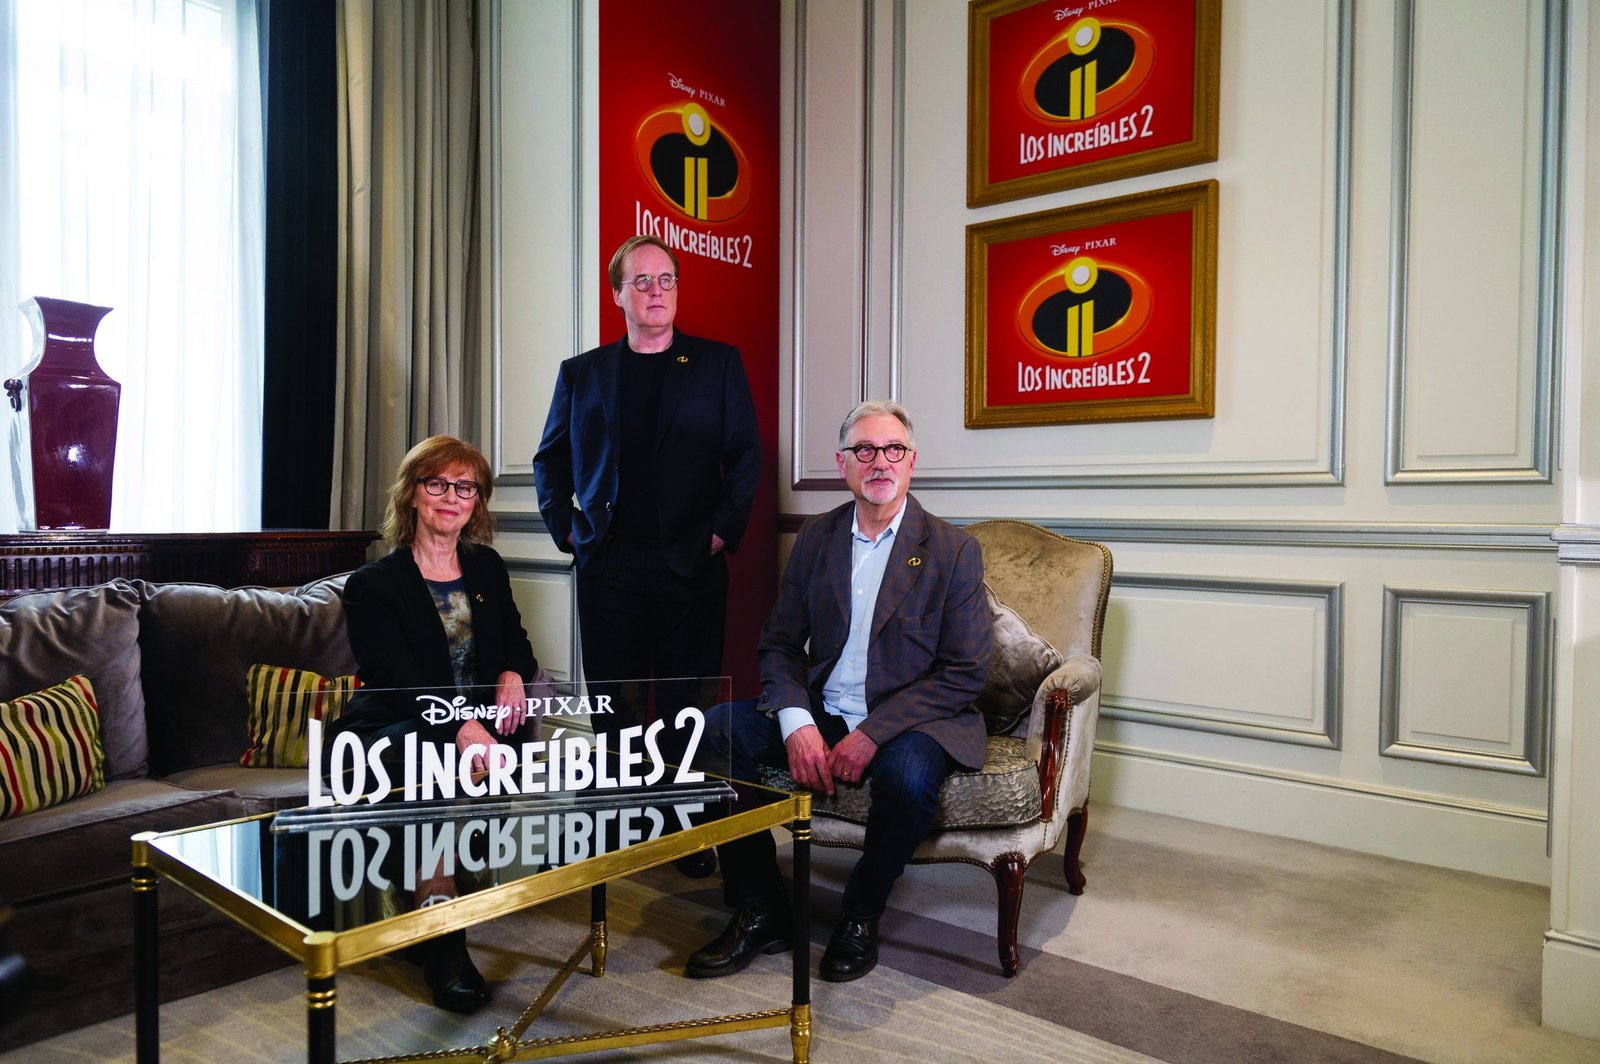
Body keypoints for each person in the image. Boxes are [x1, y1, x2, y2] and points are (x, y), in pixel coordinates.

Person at [685, 400, 992, 983]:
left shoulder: (953, 550)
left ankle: (860, 915)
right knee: (714, 732)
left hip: (912, 719)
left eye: (894, 449)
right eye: (865, 450)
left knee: (907, 781)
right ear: (842, 463)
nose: (880, 462)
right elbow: (779, 643)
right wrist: (797, 723)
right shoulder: (817, 536)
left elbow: (965, 670)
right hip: (826, 705)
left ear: (912, 462)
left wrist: (872, 734)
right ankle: (761, 909)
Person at [532, 235, 761, 875]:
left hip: (691, 564)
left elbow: (746, 457)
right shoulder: (582, 373)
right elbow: (550, 459)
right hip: (609, 567)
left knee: (688, 708)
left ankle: (685, 831)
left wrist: (720, 533)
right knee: (616, 707)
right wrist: (568, 531)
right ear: (618, 294)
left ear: (676, 291)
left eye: (666, 280)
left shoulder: (717, 364)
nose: (656, 292)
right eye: (642, 281)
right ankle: (622, 824)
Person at [332, 434, 547, 1014]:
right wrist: (461, 728)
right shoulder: (374, 584)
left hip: (473, 727)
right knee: (430, 766)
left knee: (470, 764)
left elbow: (517, 641)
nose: (452, 497)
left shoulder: (486, 567)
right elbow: (397, 678)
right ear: (412, 494)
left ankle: (426, 917)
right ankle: (446, 942)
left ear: (477, 503)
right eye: (438, 484)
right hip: (394, 727)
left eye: (466, 488)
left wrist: (512, 673)